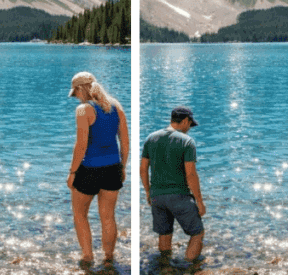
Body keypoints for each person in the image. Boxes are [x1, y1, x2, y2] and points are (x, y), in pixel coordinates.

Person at [66, 71, 129, 264]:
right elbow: (125, 142)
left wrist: (72, 172)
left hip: (89, 170)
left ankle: (88, 257)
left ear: (80, 89)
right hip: (113, 168)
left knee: (80, 214)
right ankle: (109, 257)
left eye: (75, 93)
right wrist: (122, 167)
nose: (76, 97)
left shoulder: (84, 110)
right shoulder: (116, 106)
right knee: (108, 216)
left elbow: (81, 145)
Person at [140, 107, 205, 262]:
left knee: (164, 234)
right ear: (184, 121)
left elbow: (142, 169)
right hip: (179, 196)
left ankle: (165, 267)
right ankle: (190, 269)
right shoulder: (187, 141)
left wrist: (149, 193)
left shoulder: (151, 138)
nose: (189, 128)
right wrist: (199, 201)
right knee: (197, 233)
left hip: (157, 196)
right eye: (190, 124)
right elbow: (190, 174)